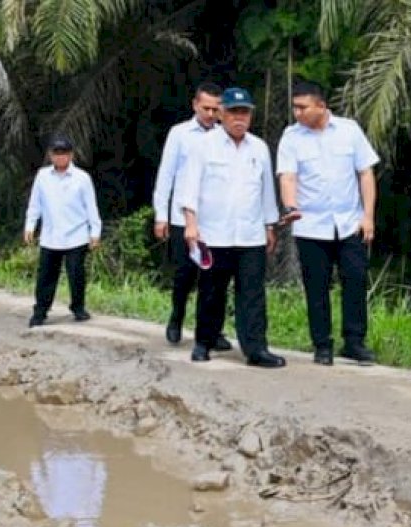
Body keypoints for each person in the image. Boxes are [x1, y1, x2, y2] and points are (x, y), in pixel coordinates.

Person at [176, 87, 282, 367]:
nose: (239, 118)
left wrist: (270, 225)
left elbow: (266, 191)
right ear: (221, 113)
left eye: (244, 112)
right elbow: (190, 187)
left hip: (250, 234)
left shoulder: (258, 148)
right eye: (233, 112)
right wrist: (190, 225)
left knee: (252, 293)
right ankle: (204, 342)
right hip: (214, 233)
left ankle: (256, 348)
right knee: (212, 291)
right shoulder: (203, 145)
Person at [276, 81, 379, 366]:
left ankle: (355, 342)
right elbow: (287, 176)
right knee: (316, 285)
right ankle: (322, 344)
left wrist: (368, 215)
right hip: (311, 225)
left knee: (355, 280)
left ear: (321, 106)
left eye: (302, 107)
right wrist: (291, 206)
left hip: (349, 223)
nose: (297, 113)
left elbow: (366, 174)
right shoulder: (291, 137)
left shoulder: (349, 130)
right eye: (294, 107)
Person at [152, 82, 231, 351]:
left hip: (215, 221)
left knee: (216, 280)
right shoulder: (180, 134)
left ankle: (212, 330)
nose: (210, 114)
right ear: (195, 105)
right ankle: (176, 318)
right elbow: (166, 175)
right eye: (206, 108)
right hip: (181, 219)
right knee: (185, 275)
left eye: (215, 109)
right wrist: (161, 215)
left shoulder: (226, 135)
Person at [24, 134, 102, 327]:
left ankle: (78, 307)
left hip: (76, 234)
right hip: (51, 235)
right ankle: (40, 312)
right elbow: (35, 204)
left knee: (76, 274)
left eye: (64, 153)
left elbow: (91, 206)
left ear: (71, 155)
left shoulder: (82, 178)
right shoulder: (43, 176)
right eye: (56, 153)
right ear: (51, 155)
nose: (60, 157)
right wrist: (30, 225)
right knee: (46, 276)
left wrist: (95, 232)